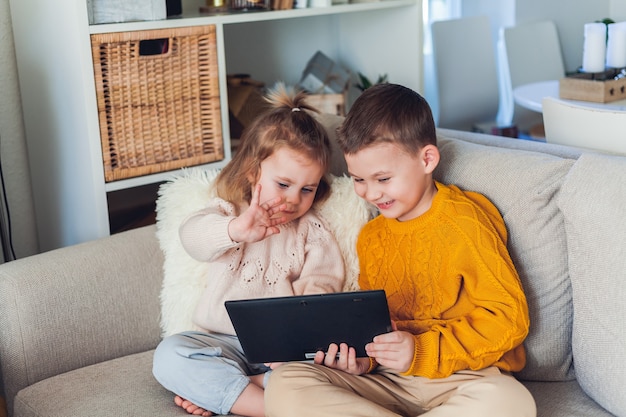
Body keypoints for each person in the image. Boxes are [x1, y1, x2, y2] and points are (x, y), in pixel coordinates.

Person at [264, 83, 536, 417]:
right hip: (388, 382)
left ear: (427, 159)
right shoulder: (372, 236)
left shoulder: (466, 222)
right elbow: (373, 326)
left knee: (511, 402)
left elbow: (509, 318)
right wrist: (364, 359)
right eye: (359, 180)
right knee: (286, 383)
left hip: (461, 377)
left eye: (383, 178)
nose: (371, 193)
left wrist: (420, 350)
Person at [152, 84, 345, 417]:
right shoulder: (229, 212)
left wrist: (290, 344)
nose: (293, 199)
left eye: (307, 189)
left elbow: (320, 291)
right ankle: (263, 400)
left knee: (320, 372)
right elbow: (191, 238)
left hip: (282, 351)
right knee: (169, 355)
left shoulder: (312, 230)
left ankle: (229, 394)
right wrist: (236, 231)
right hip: (222, 343)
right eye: (283, 184)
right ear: (254, 172)